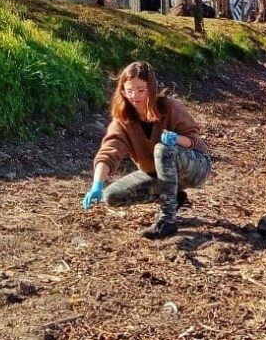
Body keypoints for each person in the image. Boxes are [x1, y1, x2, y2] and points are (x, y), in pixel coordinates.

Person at [82, 61, 212, 240]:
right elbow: (109, 151)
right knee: (112, 196)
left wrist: (176, 140)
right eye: (129, 91)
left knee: (162, 149)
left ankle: (167, 220)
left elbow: (194, 142)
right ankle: (174, 196)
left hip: (195, 166)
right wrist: (97, 184)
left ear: (151, 88)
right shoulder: (123, 121)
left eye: (141, 90)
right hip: (158, 174)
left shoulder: (171, 107)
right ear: (122, 91)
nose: (135, 96)